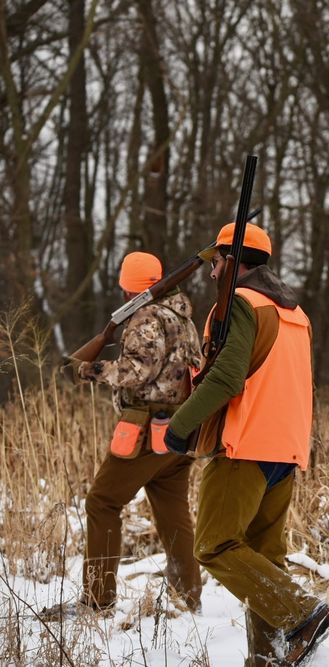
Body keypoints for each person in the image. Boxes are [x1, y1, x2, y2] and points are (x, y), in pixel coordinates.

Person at [163, 222, 329, 666]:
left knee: (215, 545)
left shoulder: (241, 303)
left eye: (216, 262)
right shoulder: (294, 312)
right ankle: (270, 658)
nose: (210, 272)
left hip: (245, 444)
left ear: (232, 263)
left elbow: (227, 375)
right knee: (263, 557)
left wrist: (181, 425)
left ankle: (303, 614)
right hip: (287, 447)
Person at [49, 252, 203, 618]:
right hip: (180, 429)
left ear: (126, 288)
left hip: (147, 430)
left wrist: (93, 370)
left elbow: (137, 371)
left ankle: (98, 599)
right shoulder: (183, 318)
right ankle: (188, 597)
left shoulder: (147, 316)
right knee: (171, 509)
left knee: (102, 502)